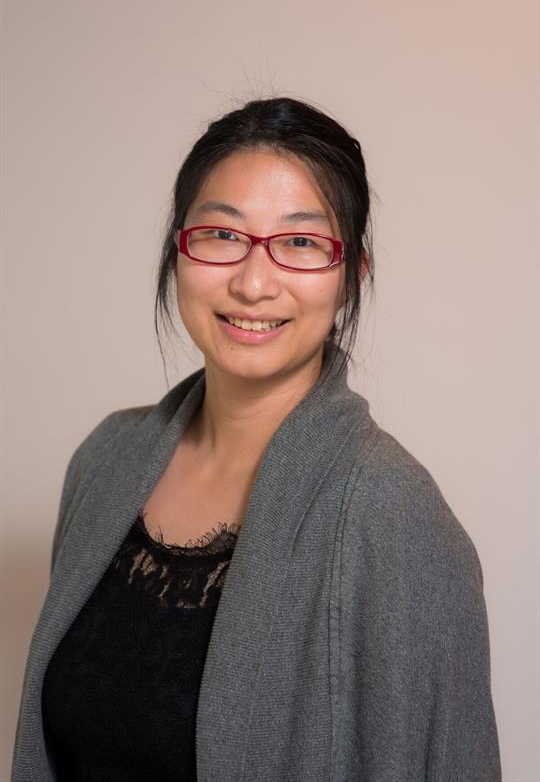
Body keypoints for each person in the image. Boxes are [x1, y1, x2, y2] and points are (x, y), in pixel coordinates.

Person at [12, 97, 502, 782]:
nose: (252, 281)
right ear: (177, 248)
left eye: (301, 242)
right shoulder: (105, 460)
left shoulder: (396, 518)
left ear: (350, 275)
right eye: (222, 234)